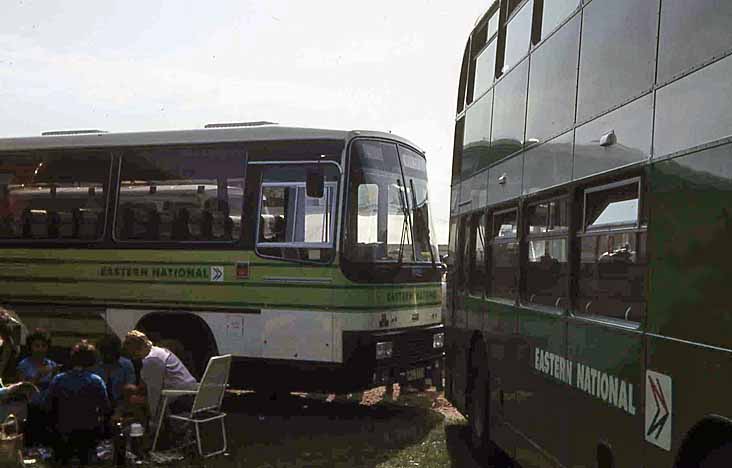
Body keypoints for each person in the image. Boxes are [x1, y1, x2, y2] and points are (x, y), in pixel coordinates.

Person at [45, 340, 110, 466]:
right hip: (88, 431)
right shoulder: (96, 381)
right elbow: (105, 407)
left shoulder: (59, 379)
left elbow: (46, 404)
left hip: (63, 430)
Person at [122, 330, 197, 423]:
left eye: (133, 353)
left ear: (138, 348)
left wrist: (155, 422)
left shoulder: (152, 360)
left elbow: (154, 396)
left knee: (134, 400)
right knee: (132, 392)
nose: (134, 357)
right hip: (192, 395)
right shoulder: (159, 351)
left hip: (180, 400)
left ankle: (146, 430)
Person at [17, 328, 58, 446]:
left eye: (43, 345)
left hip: (47, 407)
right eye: (36, 345)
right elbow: (22, 388)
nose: (40, 349)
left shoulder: (51, 364)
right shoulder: (24, 365)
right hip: (30, 408)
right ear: (30, 347)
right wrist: (39, 375)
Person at [91, 334, 136, 409]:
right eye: (105, 352)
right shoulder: (94, 365)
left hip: (120, 404)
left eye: (111, 352)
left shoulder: (126, 365)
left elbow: (130, 389)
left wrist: (119, 410)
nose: (108, 356)